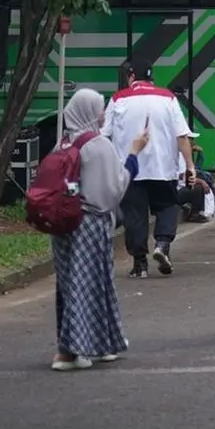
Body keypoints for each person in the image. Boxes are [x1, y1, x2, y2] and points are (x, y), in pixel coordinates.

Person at [50, 89, 145, 371]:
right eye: (100, 108)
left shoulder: (63, 143)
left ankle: (101, 344)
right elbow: (113, 191)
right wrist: (133, 156)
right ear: (90, 112)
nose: (103, 113)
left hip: (62, 225)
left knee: (70, 284)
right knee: (90, 284)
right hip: (90, 223)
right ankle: (72, 351)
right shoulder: (98, 145)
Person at [103, 59, 195, 278]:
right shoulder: (168, 98)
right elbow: (182, 136)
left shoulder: (118, 99)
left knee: (134, 214)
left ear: (131, 77)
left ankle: (140, 264)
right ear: (151, 78)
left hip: (130, 169)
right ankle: (162, 244)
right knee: (167, 206)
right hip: (164, 168)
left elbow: (104, 135)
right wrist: (190, 166)